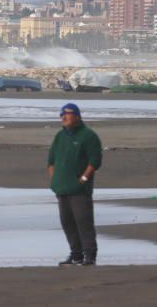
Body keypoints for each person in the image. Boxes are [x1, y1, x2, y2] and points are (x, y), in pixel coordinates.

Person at [47, 102, 102, 266]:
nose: (64, 117)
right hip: (61, 188)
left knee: (83, 221)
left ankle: (89, 255)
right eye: (61, 114)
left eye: (68, 113)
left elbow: (95, 161)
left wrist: (83, 179)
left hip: (79, 189)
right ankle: (76, 254)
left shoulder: (88, 135)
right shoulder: (60, 136)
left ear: (77, 116)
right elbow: (51, 162)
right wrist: (54, 180)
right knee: (67, 222)